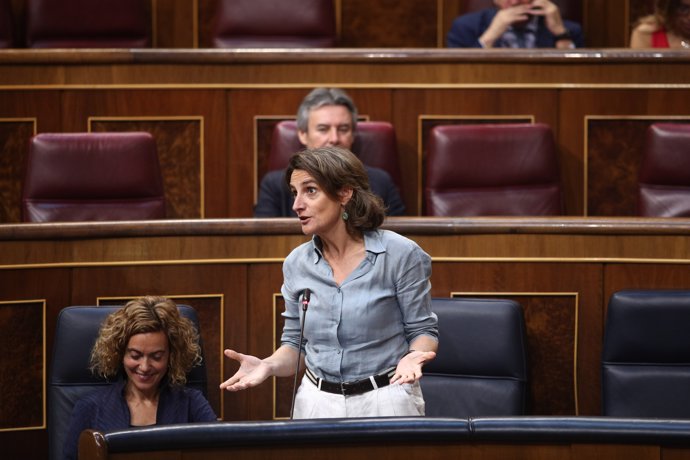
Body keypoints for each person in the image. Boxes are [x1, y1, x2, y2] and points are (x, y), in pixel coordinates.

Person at [223, 146, 438, 418]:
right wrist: (268, 365)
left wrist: (413, 356)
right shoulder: (296, 264)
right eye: (294, 193)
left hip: (387, 397)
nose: (296, 205)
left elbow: (423, 330)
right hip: (316, 402)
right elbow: (295, 344)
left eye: (310, 191)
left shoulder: (400, 254)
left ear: (344, 193)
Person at [63, 296, 216, 460]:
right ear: (120, 353)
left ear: (172, 356)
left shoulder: (192, 403)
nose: (144, 367)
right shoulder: (90, 407)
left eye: (156, 357)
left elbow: (220, 452)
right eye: (135, 356)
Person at [254, 88, 406, 217]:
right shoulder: (274, 185)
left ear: (353, 135)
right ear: (303, 134)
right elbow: (265, 242)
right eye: (323, 129)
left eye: (343, 129)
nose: (334, 138)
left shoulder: (381, 182)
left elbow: (400, 240)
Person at [447, 0, 584, 49]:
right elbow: (458, 76)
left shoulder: (570, 30)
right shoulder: (465, 27)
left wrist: (560, 34)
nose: (514, 2)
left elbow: (577, 77)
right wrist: (489, 36)